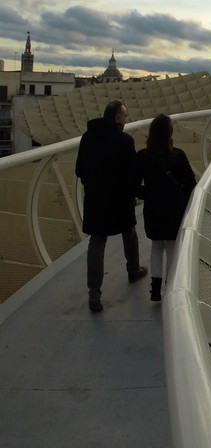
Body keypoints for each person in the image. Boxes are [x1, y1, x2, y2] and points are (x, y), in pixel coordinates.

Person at [75, 100, 147, 312]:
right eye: (124, 117)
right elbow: (131, 175)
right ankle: (133, 270)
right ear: (117, 119)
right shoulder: (125, 140)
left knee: (97, 242)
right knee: (129, 233)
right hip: (120, 199)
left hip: (95, 199)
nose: (126, 121)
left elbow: (79, 170)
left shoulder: (88, 137)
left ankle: (94, 293)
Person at [135, 114, 196, 302]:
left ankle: (155, 289)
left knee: (156, 246)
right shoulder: (178, 155)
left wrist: (148, 194)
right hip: (174, 208)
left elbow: (133, 185)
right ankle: (169, 286)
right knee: (171, 248)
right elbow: (190, 183)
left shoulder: (143, 156)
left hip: (153, 208)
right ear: (169, 133)